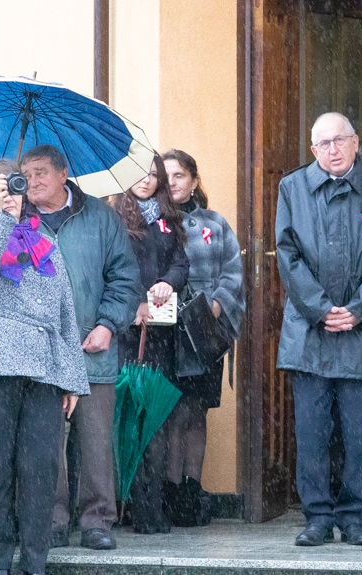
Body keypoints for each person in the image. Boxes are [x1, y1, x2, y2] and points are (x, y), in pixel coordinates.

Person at [275, 112, 362, 546]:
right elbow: (287, 253)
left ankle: (354, 517)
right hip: (310, 332)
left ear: (355, 142)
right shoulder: (292, 187)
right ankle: (315, 517)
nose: (332, 149)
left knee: (360, 433)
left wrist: (359, 308)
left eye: (340, 140)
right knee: (311, 433)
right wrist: (319, 308)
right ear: (313, 150)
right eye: (324, 143)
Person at [0, 159, 89, 575]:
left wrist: (71, 379)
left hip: (43, 373)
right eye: (2, 190)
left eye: (16, 189)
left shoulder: (42, 241)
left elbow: (66, 313)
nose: (13, 196)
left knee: (40, 473)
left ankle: (34, 565)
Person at [19, 145, 141, 551]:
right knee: (45, 440)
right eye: (27, 174)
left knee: (95, 439)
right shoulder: (19, 221)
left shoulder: (101, 217)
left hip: (94, 347)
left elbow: (124, 278)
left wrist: (108, 325)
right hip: (41, 351)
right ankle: (53, 520)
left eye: (40, 173)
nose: (32, 182)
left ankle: (96, 520)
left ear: (62, 173)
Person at [161, 149, 245, 526]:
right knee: (170, 415)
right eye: (166, 176)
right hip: (165, 334)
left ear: (194, 180)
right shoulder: (150, 223)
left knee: (196, 413)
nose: (173, 183)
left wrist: (214, 307)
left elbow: (233, 273)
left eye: (180, 175)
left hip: (204, 333)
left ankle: (192, 491)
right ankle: (168, 488)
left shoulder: (215, 223)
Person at [109, 153, 189, 534]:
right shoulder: (114, 218)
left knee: (156, 423)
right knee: (126, 420)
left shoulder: (167, 219)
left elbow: (180, 264)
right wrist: (133, 303)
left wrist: (167, 283)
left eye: (154, 174)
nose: (148, 180)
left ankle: (151, 505)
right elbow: (112, 271)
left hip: (159, 335)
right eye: (141, 173)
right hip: (125, 333)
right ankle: (122, 506)